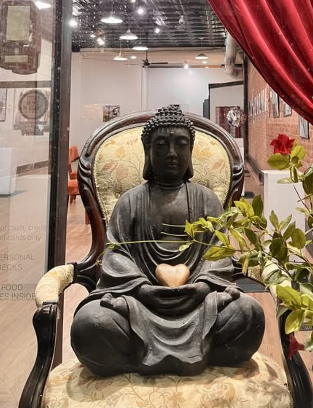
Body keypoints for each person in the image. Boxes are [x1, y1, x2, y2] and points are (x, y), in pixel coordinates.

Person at [71, 106, 265, 377]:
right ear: (148, 152)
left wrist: (203, 285)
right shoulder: (131, 201)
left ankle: (143, 359)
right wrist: (140, 288)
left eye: (181, 144)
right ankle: (175, 355)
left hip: (201, 302)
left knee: (249, 313)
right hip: (139, 302)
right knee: (89, 324)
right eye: (161, 145)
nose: (172, 153)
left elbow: (218, 250)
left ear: (191, 151)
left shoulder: (206, 200)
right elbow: (116, 253)